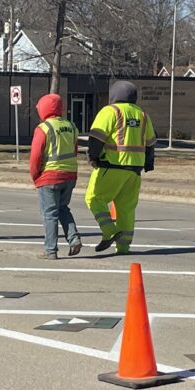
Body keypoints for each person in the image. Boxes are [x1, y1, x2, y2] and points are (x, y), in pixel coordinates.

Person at [84, 80, 156, 255]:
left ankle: (109, 230)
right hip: (134, 170)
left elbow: (96, 137)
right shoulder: (142, 114)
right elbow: (150, 143)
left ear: (113, 95)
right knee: (126, 208)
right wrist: (148, 163)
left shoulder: (110, 111)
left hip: (111, 165)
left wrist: (93, 157)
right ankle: (123, 246)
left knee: (93, 198)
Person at [29, 93, 82, 260]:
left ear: (43, 109)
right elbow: (74, 150)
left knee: (50, 213)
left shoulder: (43, 128)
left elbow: (36, 156)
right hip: (70, 175)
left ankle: (50, 250)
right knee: (63, 208)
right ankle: (73, 238)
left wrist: (35, 175)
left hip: (49, 176)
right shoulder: (71, 126)